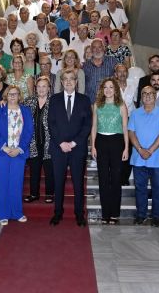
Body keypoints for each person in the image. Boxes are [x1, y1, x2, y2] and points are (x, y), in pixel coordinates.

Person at [48, 69, 92, 227]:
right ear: (61, 82)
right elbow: (51, 123)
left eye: (71, 79)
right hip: (58, 148)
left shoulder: (84, 100)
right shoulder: (54, 99)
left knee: (78, 182)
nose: (68, 81)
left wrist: (73, 143)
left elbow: (87, 125)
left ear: (76, 81)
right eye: (65, 79)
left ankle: (79, 214)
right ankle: (57, 213)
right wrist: (61, 143)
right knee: (58, 182)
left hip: (77, 148)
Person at [0, 85, 33, 225]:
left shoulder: (25, 111)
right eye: (10, 94)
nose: (12, 96)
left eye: (15, 94)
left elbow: (28, 131)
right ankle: (2, 214)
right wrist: (5, 147)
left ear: (19, 95)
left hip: (18, 153)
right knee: (2, 183)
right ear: (5, 96)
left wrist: (20, 148)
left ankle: (17, 212)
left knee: (16, 183)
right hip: (2, 152)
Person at [128, 86, 159, 227]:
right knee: (140, 188)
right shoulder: (134, 113)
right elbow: (131, 133)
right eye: (144, 94)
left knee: (158, 188)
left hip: (157, 159)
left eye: (151, 93)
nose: (147, 96)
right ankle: (141, 215)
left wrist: (149, 151)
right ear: (141, 96)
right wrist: (140, 149)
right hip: (139, 158)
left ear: (155, 96)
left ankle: (157, 216)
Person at [91, 78, 129, 225]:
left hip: (117, 142)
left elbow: (125, 128)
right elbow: (94, 127)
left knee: (115, 178)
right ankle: (105, 213)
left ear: (115, 89)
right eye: (105, 87)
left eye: (111, 87)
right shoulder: (97, 105)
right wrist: (93, 145)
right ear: (102, 89)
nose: (108, 90)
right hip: (101, 141)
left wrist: (126, 147)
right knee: (103, 179)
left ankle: (114, 213)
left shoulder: (121, 105)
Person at [23, 76, 55, 204]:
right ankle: (34, 194)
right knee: (34, 169)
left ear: (49, 88)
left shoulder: (54, 101)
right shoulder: (28, 101)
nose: (41, 89)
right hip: (33, 142)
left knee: (49, 170)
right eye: (39, 86)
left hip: (50, 141)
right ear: (35, 88)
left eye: (44, 86)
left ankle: (49, 194)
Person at [83, 38, 118, 104]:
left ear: (103, 48)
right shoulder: (85, 65)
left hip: (109, 102)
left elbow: (118, 78)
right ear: (91, 49)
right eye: (94, 47)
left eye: (99, 47)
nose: (97, 50)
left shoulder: (112, 61)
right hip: (91, 103)